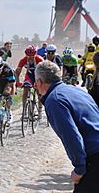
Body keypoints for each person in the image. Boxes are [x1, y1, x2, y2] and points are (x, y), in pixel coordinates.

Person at [35, 61, 99, 192]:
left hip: (95, 156)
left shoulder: (54, 100)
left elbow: (71, 137)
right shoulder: (76, 91)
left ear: (40, 82)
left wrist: (79, 169)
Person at [15, 45, 44, 118]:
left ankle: (40, 110)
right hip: (29, 75)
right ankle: (24, 110)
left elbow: (44, 71)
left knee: (39, 92)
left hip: (39, 76)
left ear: (35, 54)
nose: (31, 57)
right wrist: (18, 82)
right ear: (26, 55)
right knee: (25, 89)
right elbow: (17, 72)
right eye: (28, 56)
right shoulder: (23, 60)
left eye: (32, 55)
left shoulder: (39, 59)